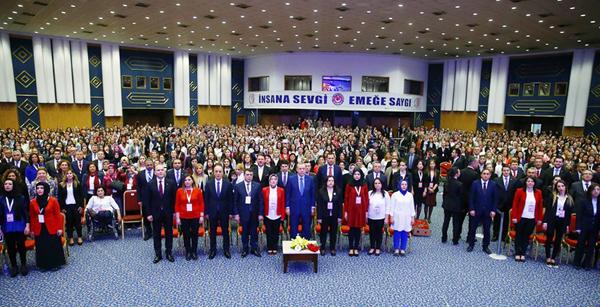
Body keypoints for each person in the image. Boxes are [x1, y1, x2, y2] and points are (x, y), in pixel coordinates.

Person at [143, 164, 177, 263]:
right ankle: (158, 254)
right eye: (158, 170)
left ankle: (169, 253)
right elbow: (147, 201)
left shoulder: (171, 183)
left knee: (169, 234)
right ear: (155, 172)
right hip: (155, 213)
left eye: (162, 170)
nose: (160, 172)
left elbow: (174, 199)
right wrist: (148, 214)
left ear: (165, 172)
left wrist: (174, 212)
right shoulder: (150, 184)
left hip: (168, 213)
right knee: (156, 234)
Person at [29, 182, 66, 271]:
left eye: (41, 188)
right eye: (37, 188)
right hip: (39, 227)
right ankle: (43, 265)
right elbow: (32, 217)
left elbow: (58, 215)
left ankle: (55, 264)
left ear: (46, 189)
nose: (39, 190)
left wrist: (59, 228)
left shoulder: (53, 200)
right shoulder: (33, 202)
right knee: (41, 246)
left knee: (52, 245)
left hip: (52, 227)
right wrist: (32, 230)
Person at [0, 178, 29, 277]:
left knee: (21, 246)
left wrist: (27, 225)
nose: (7, 185)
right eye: (6, 184)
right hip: (7, 226)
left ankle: (24, 265)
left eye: (10, 184)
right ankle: (14, 266)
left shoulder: (20, 197)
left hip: (19, 225)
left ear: (13, 186)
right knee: (11, 247)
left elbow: (25, 212)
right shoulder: (1, 199)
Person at [204, 164, 234, 259]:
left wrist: (230, 212)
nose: (218, 173)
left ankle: (226, 250)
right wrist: (206, 212)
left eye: (220, 171)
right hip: (212, 212)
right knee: (212, 232)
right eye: (216, 171)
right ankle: (213, 250)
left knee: (225, 231)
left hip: (224, 212)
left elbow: (230, 199)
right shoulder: (209, 184)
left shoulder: (228, 184)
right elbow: (206, 199)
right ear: (213, 172)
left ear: (223, 172)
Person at [510, 176, 544, 262]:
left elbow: (540, 206)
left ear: (534, 183)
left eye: (532, 181)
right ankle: (517, 253)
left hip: (532, 218)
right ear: (525, 182)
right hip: (520, 217)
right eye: (528, 181)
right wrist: (514, 217)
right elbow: (515, 205)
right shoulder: (519, 191)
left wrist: (540, 218)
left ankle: (523, 253)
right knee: (519, 235)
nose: (530, 183)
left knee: (526, 236)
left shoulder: (538, 192)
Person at [543, 180, 574, 268]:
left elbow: (569, 214)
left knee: (558, 239)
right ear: (556, 187)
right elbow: (547, 210)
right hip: (552, 219)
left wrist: (567, 225)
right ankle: (548, 257)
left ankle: (553, 258)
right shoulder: (552, 196)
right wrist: (545, 221)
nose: (560, 188)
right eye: (558, 186)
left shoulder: (570, 198)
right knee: (549, 238)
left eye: (562, 186)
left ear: (565, 187)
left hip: (562, 221)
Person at [466, 169, 499, 254]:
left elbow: (495, 199)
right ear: (481, 175)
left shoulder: (493, 184)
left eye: (487, 174)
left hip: (488, 212)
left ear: (490, 175)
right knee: (473, 228)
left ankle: (485, 246)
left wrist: (493, 210)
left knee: (487, 230)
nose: (486, 175)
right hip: (476, 211)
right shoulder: (475, 183)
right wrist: (471, 209)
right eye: (484, 173)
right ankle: (471, 244)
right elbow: (471, 198)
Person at [234, 169, 264, 257]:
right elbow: (235, 201)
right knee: (245, 232)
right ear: (244, 175)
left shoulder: (257, 186)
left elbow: (260, 201)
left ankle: (254, 248)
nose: (249, 176)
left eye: (251, 174)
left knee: (254, 231)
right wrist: (236, 214)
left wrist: (261, 213)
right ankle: (245, 249)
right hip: (243, 213)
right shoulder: (238, 186)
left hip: (255, 213)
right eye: (247, 174)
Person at [175, 175, 205, 260]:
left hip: (195, 216)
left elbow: (201, 204)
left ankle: (194, 251)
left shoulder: (198, 191)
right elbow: (177, 205)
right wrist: (177, 218)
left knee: (195, 234)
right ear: (183, 182)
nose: (187, 181)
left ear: (192, 181)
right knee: (186, 235)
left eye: (189, 180)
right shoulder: (179, 191)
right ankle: (188, 251)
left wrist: (201, 216)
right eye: (185, 180)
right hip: (184, 216)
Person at [573, 183, 600, 270]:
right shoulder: (584, 201)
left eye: (598, 189)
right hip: (584, 227)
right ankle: (577, 262)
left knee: (591, 246)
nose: (596, 191)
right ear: (590, 191)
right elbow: (579, 215)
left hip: (595, 227)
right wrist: (578, 227)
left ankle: (587, 263)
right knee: (580, 244)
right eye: (594, 189)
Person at [285, 163, 316, 239]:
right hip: (294, 207)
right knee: (294, 225)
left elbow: (312, 194)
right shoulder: (291, 179)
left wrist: (313, 206)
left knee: (306, 225)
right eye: (300, 169)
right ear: (296, 169)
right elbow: (288, 194)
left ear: (306, 169)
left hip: (306, 206)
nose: (302, 170)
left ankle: (306, 242)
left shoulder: (310, 179)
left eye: (303, 169)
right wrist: (287, 206)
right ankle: (293, 242)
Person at [344, 169, 369, 256]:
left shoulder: (364, 185)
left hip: (361, 210)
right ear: (353, 175)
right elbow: (346, 199)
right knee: (351, 229)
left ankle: (356, 247)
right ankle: (351, 247)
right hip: (351, 210)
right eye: (355, 174)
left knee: (358, 229)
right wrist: (346, 211)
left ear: (361, 175)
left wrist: (366, 211)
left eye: (358, 174)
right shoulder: (349, 185)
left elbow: (366, 199)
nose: (357, 176)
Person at [316, 175, 342, 256]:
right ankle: (322, 247)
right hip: (324, 215)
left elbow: (340, 205)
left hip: (334, 215)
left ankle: (332, 248)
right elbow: (319, 205)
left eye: (332, 181)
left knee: (333, 232)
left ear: (334, 182)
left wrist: (339, 216)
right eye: (329, 181)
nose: (331, 182)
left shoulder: (338, 191)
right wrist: (319, 217)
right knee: (323, 232)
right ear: (326, 182)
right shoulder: (321, 191)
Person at [388, 180, 416, 256]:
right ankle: (396, 249)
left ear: (407, 186)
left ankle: (403, 249)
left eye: (405, 184)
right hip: (397, 217)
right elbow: (391, 207)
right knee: (397, 233)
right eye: (402, 184)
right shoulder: (395, 195)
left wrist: (412, 218)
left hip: (407, 217)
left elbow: (412, 207)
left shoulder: (410, 195)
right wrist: (391, 217)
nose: (404, 186)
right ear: (399, 185)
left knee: (405, 232)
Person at [57, 169, 84, 246]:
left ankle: (79, 236)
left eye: (70, 173)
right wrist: (62, 208)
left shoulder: (77, 184)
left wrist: (81, 206)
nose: (69, 175)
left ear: (73, 175)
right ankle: (71, 238)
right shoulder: (61, 185)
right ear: (65, 175)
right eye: (67, 173)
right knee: (69, 223)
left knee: (78, 222)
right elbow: (60, 197)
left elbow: (81, 196)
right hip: (66, 207)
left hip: (76, 206)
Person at [262, 174, 285, 255]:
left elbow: (282, 203)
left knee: (276, 232)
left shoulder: (281, 190)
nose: (273, 181)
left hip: (277, 214)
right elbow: (262, 203)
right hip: (267, 214)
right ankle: (269, 247)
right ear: (269, 181)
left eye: (275, 179)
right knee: (269, 232)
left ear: (277, 181)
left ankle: (274, 247)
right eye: (271, 179)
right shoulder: (264, 190)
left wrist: (282, 215)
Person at [493, 166, 517, 242]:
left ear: (510, 171)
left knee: (507, 221)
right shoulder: (496, 180)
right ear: (502, 171)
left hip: (509, 204)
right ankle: (495, 235)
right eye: (504, 170)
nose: (506, 172)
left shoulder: (514, 180)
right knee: (497, 220)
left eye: (507, 170)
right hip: (499, 204)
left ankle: (505, 236)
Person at [367, 177, 390, 256]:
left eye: (379, 183)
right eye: (375, 183)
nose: (377, 185)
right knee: (372, 233)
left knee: (379, 233)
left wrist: (386, 218)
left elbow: (388, 207)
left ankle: (378, 248)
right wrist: (366, 215)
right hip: (371, 216)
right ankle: (372, 247)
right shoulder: (369, 193)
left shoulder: (386, 194)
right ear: (373, 185)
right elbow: (366, 205)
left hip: (381, 217)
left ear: (382, 184)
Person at [441, 167, 463, 245]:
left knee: (446, 221)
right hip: (456, 206)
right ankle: (455, 240)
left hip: (447, 205)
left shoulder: (446, 182)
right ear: (456, 174)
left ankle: (444, 238)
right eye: (459, 172)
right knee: (455, 223)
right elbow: (461, 197)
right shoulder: (459, 184)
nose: (460, 173)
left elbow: (444, 195)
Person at [136, 159, 154, 240]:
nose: (149, 166)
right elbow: (138, 187)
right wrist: (139, 200)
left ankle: (156, 231)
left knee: (156, 215)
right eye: (148, 165)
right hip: (144, 198)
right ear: (145, 165)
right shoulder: (140, 174)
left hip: (155, 197)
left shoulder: (157, 173)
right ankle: (148, 231)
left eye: (151, 164)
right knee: (146, 215)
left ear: (153, 165)